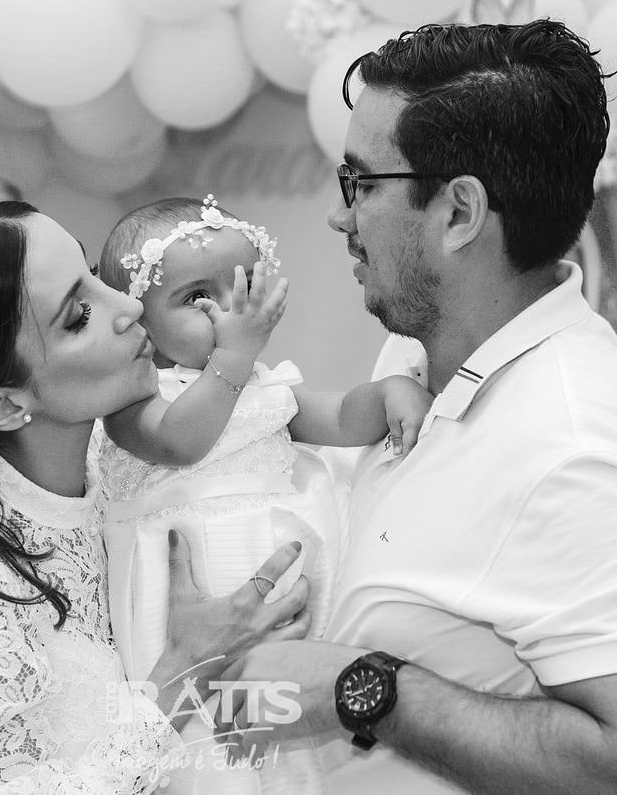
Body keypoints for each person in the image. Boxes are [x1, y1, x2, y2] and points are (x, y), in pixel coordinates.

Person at [218, 19, 617, 794]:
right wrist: (200, 665)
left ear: (458, 213)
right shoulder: (417, 354)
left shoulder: (576, 444)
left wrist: (370, 690)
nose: (340, 216)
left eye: (361, 184)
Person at [0, 201, 314, 793]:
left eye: (93, 275)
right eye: (79, 315)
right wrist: (186, 666)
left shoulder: (135, 453)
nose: (130, 306)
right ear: (4, 405)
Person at [97, 195, 432, 687]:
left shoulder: (263, 385)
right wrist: (232, 359)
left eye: (245, 285)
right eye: (198, 297)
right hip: (192, 600)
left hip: (288, 573)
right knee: (210, 721)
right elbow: (180, 443)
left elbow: (340, 418)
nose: (232, 308)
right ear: (140, 323)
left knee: (301, 697)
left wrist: (387, 394)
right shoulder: (136, 399)